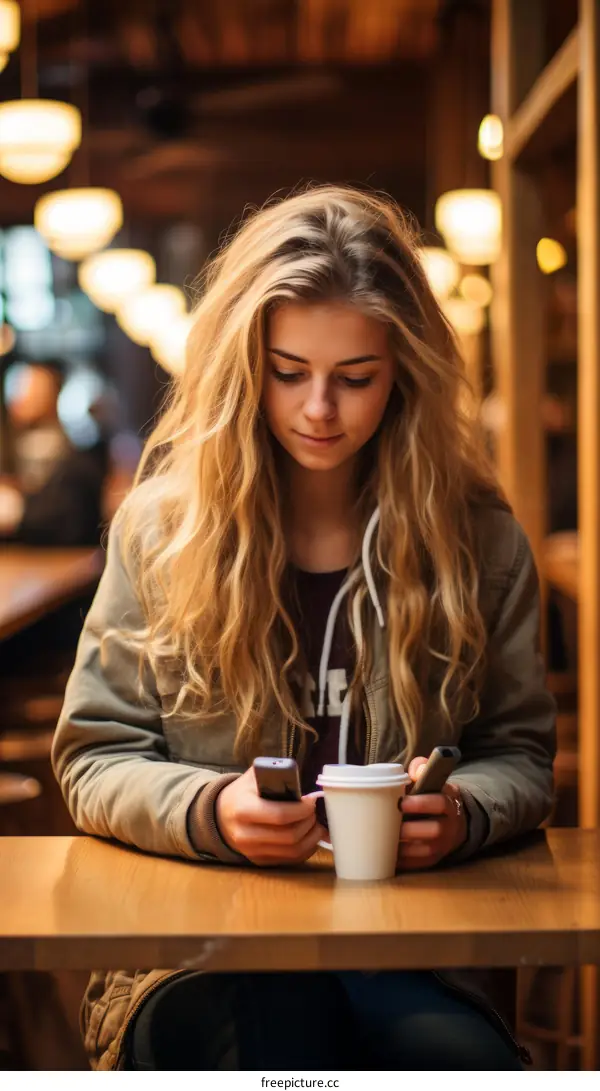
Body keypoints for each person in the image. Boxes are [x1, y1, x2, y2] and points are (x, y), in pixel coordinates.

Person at [52, 186, 555, 1072]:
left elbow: (519, 752)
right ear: (244, 364)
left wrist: (463, 813)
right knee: (275, 1032)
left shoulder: (479, 542)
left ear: (405, 370)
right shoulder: (163, 533)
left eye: (355, 378)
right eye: (288, 372)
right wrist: (211, 811)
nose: (320, 408)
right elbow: (95, 756)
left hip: (413, 951)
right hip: (196, 951)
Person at [0, 360, 108, 546]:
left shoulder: (78, 454)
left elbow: (71, 518)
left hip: (66, 554)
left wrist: (17, 508)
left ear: (53, 394)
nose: (20, 397)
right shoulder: (9, 445)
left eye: (30, 389)